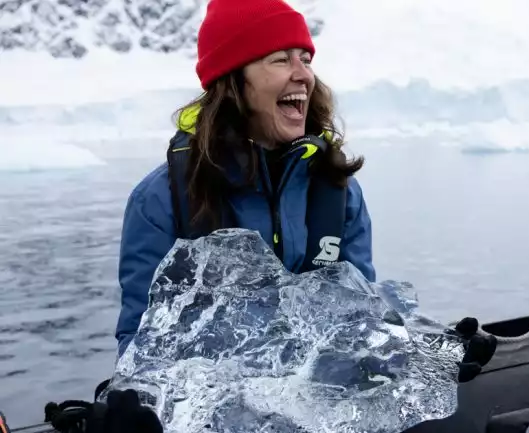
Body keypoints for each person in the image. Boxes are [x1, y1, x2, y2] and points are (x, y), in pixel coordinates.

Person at [114, 0, 375, 357]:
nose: (303, 74)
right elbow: (140, 340)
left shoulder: (338, 188)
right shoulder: (159, 200)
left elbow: (363, 320)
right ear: (234, 81)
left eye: (306, 59)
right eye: (281, 59)